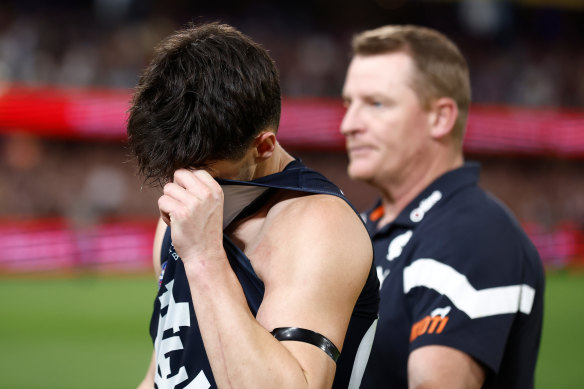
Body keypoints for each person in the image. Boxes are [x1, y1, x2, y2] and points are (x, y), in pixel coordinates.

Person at [127, 22, 379, 389]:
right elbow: (165, 372)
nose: (184, 189)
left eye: (207, 175)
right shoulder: (178, 219)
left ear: (264, 147)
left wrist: (203, 258)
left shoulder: (318, 225)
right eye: (175, 172)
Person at [340, 25, 545, 389]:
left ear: (440, 118)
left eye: (375, 104)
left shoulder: (474, 232)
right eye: (348, 104)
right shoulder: (358, 228)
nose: (348, 124)